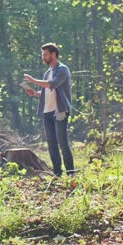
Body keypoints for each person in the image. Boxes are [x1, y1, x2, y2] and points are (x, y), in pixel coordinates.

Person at [24, 43, 75, 176]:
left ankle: (70, 173)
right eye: (43, 55)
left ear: (53, 54)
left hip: (60, 111)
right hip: (47, 112)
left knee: (63, 142)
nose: (43, 58)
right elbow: (47, 91)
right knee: (52, 144)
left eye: (45, 54)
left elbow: (53, 84)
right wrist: (35, 93)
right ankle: (57, 173)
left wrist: (34, 80)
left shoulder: (63, 70)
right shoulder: (47, 72)